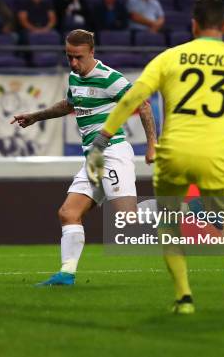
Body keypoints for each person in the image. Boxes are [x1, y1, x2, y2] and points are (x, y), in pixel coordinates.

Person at [86, 0, 224, 315]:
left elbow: (132, 99)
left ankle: (184, 298)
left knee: (170, 228)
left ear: (194, 25)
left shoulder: (169, 58)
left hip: (172, 154)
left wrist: (101, 143)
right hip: (218, 157)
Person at [11, 29, 157, 286]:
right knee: (68, 213)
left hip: (112, 152)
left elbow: (142, 104)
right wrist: (35, 116)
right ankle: (66, 274)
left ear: (91, 52)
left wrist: (152, 145)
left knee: (129, 221)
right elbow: (69, 104)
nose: (74, 62)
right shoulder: (75, 77)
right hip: (94, 158)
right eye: (69, 57)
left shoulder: (110, 78)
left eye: (78, 57)